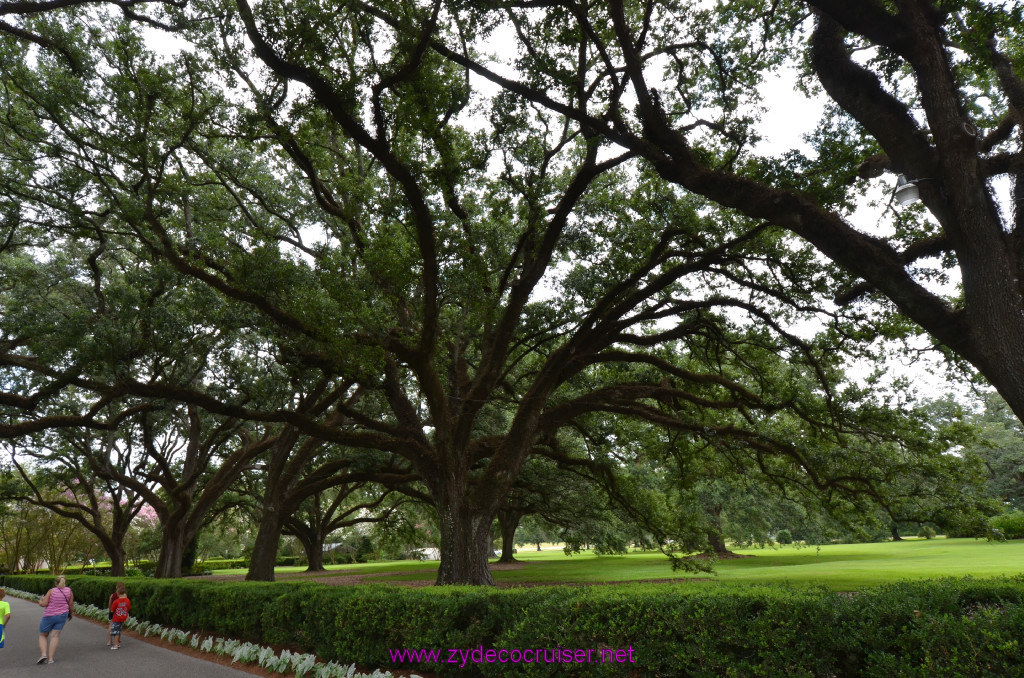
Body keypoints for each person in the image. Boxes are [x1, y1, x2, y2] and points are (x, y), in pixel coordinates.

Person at [37, 575, 73, 664]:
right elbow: (71, 604)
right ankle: (51, 659)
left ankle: (44, 654)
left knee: (43, 635)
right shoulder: (69, 591)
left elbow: (44, 604)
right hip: (62, 616)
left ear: (55, 583)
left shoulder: (51, 591)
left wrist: (40, 602)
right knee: (55, 636)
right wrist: (70, 614)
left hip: (49, 615)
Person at [108, 582, 130, 650]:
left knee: (115, 632)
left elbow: (111, 609)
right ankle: (118, 643)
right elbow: (128, 608)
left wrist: (110, 616)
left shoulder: (116, 601)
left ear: (118, 593)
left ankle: (115, 644)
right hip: (123, 617)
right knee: (119, 630)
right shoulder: (127, 600)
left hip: (116, 618)